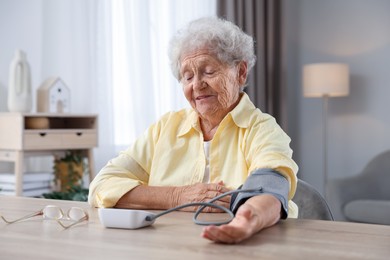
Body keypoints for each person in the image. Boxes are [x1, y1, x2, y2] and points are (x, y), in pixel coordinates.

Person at [88, 16, 298, 244]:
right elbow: (102, 185)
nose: (197, 85)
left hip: (249, 246)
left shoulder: (261, 129)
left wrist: (248, 220)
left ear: (241, 72)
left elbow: (270, 187)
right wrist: (177, 196)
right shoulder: (164, 128)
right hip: (170, 247)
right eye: (187, 77)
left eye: (208, 71)